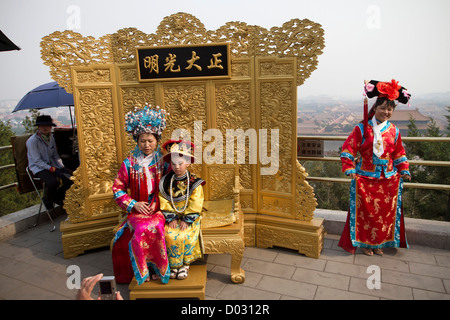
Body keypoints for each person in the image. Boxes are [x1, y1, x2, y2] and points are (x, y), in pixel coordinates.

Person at [338, 79, 412, 256]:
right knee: (367, 214)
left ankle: (379, 243)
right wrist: (349, 167)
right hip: (366, 178)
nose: (386, 112)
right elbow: (348, 149)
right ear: (375, 108)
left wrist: (404, 169)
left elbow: (399, 153)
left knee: (384, 215)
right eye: (382, 108)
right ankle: (366, 243)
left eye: (389, 109)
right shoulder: (362, 129)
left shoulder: (394, 131)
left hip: (388, 180)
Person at [111, 104, 171, 285]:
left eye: (150, 141)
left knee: (156, 227)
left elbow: (169, 187)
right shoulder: (129, 164)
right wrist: (133, 204)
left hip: (158, 208)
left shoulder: (163, 162)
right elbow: (117, 188)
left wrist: (157, 204)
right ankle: (144, 269)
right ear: (137, 141)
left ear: (157, 141)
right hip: (138, 210)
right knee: (141, 229)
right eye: (143, 141)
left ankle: (156, 268)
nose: (146, 145)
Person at [159, 140, 205, 280]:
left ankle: (185, 265)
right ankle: (174, 266)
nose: (177, 167)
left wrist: (187, 219)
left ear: (188, 163)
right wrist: (171, 217)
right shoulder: (166, 180)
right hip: (172, 215)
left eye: (180, 163)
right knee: (170, 234)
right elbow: (164, 200)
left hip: (189, 216)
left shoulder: (194, 181)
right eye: (174, 163)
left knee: (185, 234)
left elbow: (196, 202)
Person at [26, 115, 73, 210]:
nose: (45, 128)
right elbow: (37, 161)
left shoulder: (51, 138)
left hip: (52, 165)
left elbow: (55, 156)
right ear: (38, 127)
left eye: (47, 125)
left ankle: (58, 198)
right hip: (39, 168)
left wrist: (62, 167)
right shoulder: (33, 141)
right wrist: (52, 169)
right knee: (52, 182)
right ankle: (47, 201)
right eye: (42, 126)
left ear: (51, 127)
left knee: (71, 179)